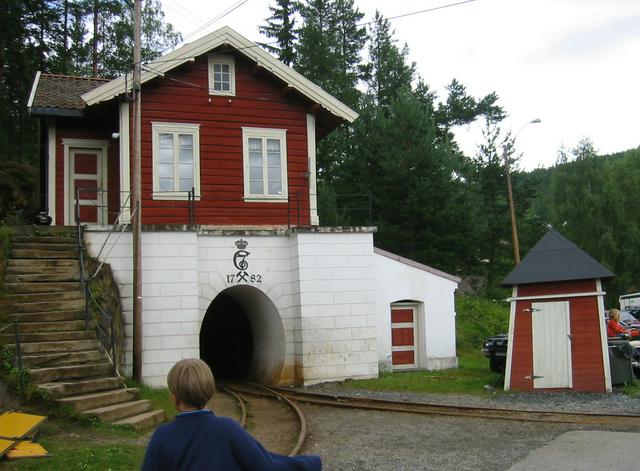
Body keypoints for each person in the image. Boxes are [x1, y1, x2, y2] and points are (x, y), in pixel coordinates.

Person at [141, 358, 321, 471]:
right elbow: (267, 466)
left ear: (174, 398)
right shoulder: (228, 429)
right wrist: (310, 463)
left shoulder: (162, 436)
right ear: (210, 392)